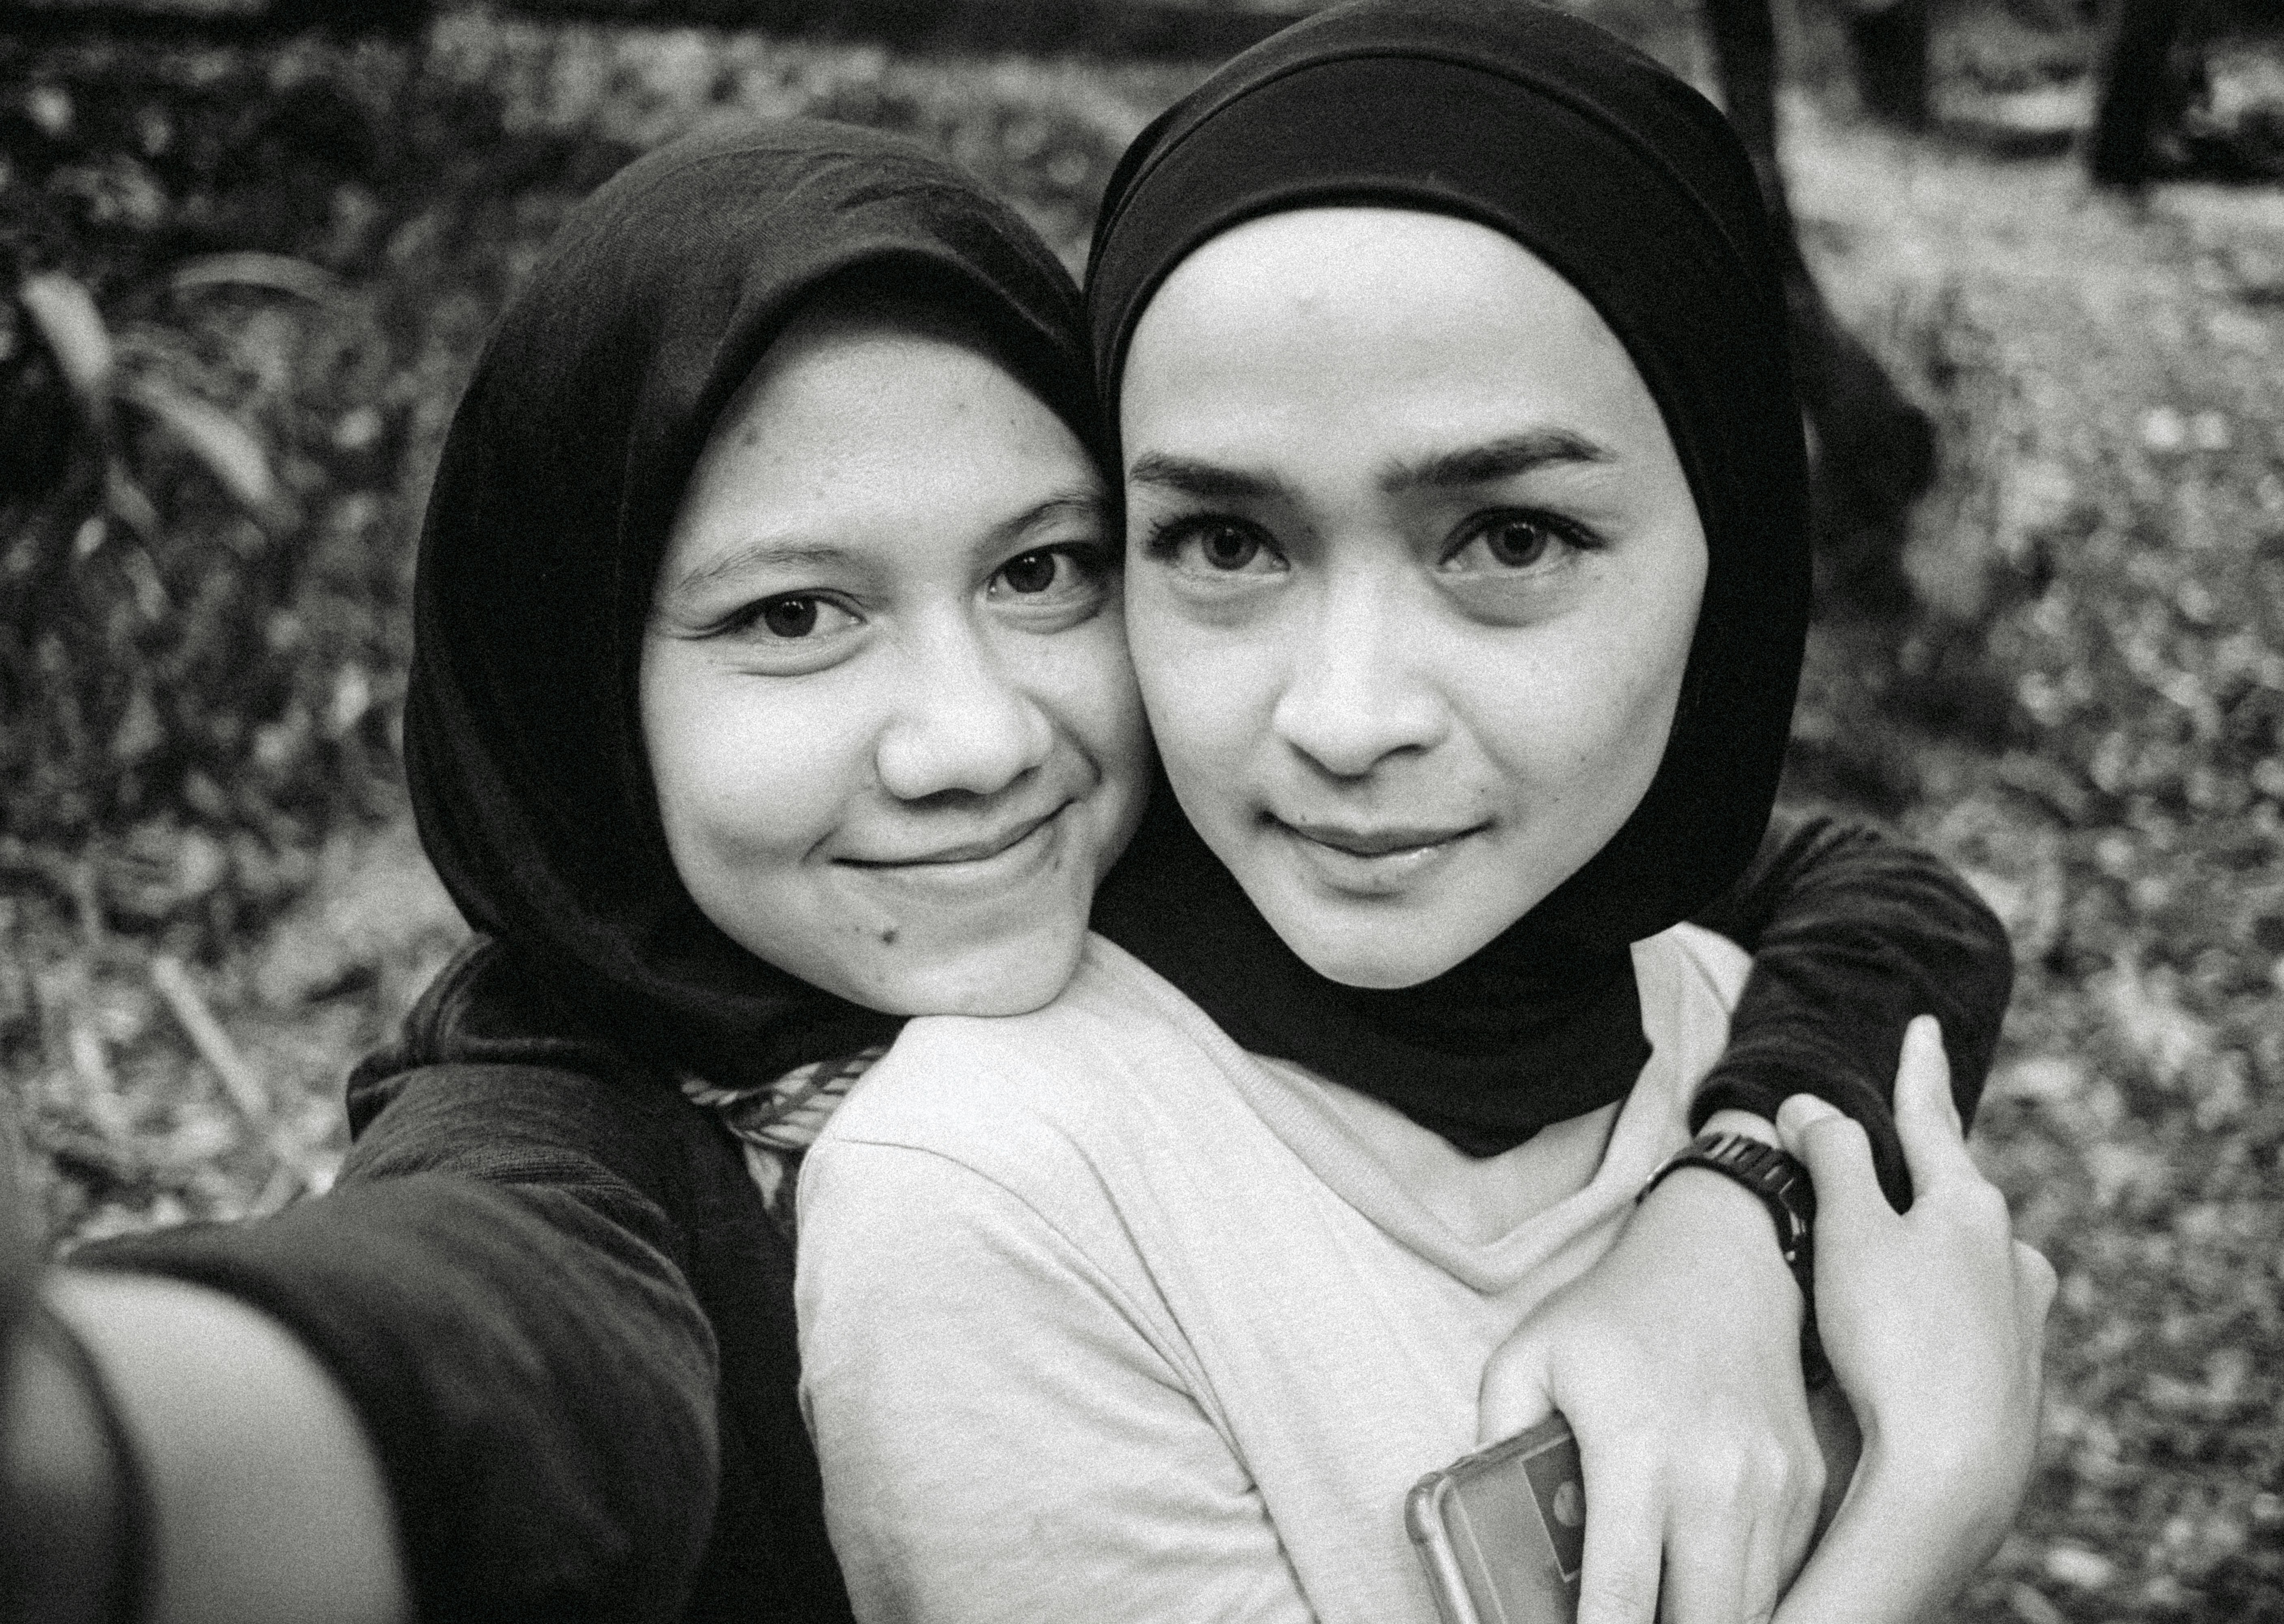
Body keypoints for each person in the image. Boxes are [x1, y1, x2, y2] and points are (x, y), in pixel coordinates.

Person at [0, 111, 2013, 1624]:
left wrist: (1727, 1208)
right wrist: (109, 1434)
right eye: (792, 616)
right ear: (576, 691)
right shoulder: (579, 1135)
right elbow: (501, 1348)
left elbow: (1860, 890)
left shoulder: (1266, 849)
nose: (974, 741)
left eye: (1043, 572)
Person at [791, 7, 2053, 1624]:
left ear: (1729, 569)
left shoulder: (1718, 1011)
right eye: (1228, 544)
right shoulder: (996, 1194)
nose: (1344, 716)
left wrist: (1743, 1204)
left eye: (1507, 540)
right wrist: (1918, 1517)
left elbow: (1895, 907)